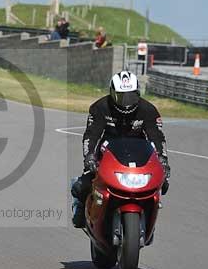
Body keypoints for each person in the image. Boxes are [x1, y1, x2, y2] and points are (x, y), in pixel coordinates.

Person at [70, 71, 170, 228]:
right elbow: (91, 135)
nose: (126, 102)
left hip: (138, 155)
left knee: (163, 184)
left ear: (138, 93)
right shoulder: (100, 107)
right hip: (106, 153)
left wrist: (163, 159)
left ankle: (149, 218)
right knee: (82, 186)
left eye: (130, 96)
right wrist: (89, 156)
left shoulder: (148, 110)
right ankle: (80, 206)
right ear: (112, 93)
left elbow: (157, 137)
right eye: (121, 96)